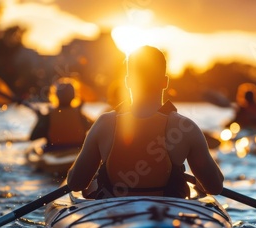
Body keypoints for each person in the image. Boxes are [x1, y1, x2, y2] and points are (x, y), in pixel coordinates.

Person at [66, 45, 224, 198]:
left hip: (114, 217)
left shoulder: (104, 123)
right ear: (165, 82)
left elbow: (76, 183)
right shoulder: (186, 128)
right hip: (170, 219)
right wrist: (199, 182)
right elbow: (215, 186)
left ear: (128, 82)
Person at [30, 77, 92, 151]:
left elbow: (33, 137)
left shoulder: (48, 117)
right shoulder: (80, 115)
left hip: (54, 151)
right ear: (73, 96)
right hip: (78, 150)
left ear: (56, 95)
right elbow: (94, 127)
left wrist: (40, 119)